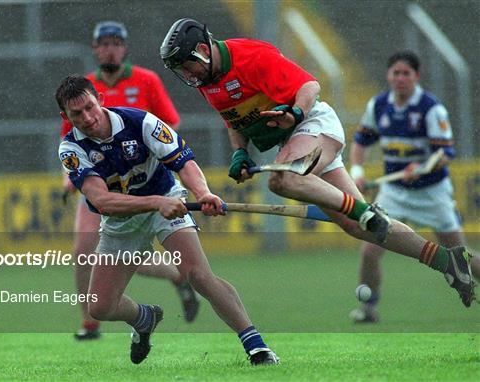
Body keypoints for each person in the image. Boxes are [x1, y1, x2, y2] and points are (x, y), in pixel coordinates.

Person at [159, 19, 476, 310]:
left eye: (187, 66)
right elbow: (234, 122)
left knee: (282, 180)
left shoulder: (251, 55)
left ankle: (365, 211)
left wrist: (294, 113)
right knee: (358, 227)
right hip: (295, 139)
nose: (188, 75)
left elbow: (309, 86)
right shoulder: (206, 82)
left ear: (202, 50)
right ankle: (447, 261)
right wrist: (240, 153)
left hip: (314, 124)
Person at [56, 75, 279, 365]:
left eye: (90, 107)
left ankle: (256, 346)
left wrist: (203, 192)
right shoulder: (71, 149)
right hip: (123, 219)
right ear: (65, 116)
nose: (87, 117)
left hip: (167, 197)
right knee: (99, 307)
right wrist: (155, 203)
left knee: (196, 274)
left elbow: (183, 162)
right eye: (77, 114)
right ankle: (143, 318)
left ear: (100, 98)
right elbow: (102, 201)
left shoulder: (142, 122)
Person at [61, 21, 200, 340]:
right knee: (84, 250)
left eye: (115, 42)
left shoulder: (146, 80)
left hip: (147, 181)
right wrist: (70, 178)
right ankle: (90, 322)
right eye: (103, 43)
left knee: (125, 258)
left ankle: (179, 277)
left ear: (124, 48)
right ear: (95, 48)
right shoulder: (80, 89)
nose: (109, 48)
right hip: (102, 183)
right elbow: (68, 143)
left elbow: (169, 125)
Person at [348, 51, 480, 322]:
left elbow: (444, 153)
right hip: (394, 193)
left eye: (406, 73)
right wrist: (357, 171)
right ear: (388, 75)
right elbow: (361, 141)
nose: (400, 78)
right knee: (370, 251)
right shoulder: (379, 105)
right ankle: (368, 308)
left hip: (433, 193)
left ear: (416, 76)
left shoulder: (431, 108)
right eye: (395, 73)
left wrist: (422, 168)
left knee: (460, 257)